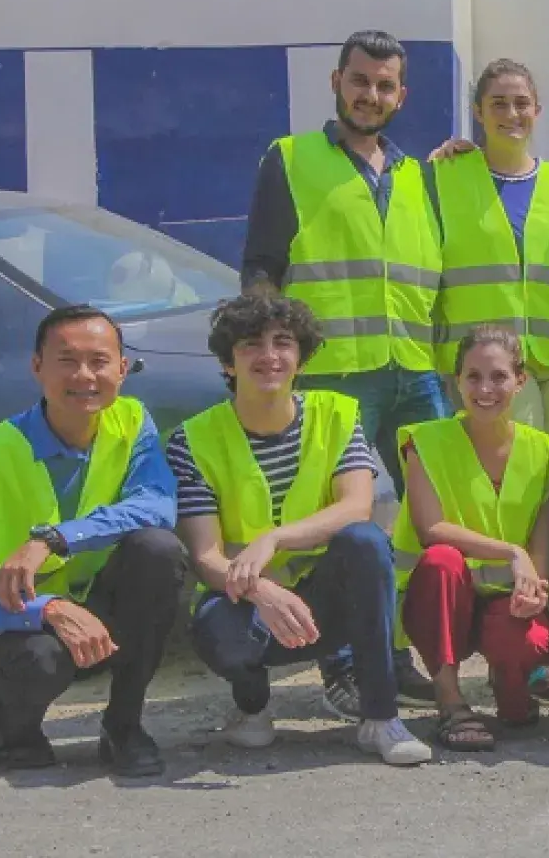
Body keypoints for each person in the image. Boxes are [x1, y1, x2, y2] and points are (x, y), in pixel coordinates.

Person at [239, 29, 445, 708]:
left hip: (413, 372)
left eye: (385, 85)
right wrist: (271, 357)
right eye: (360, 80)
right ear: (337, 81)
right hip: (334, 377)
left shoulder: (420, 174)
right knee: (358, 520)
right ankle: (346, 660)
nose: (371, 94)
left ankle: (394, 650)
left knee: (418, 518)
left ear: (401, 94)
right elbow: (263, 264)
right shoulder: (292, 158)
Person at [172, 290, 432, 765]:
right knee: (219, 630)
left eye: (283, 343)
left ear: (301, 358)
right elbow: (206, 555)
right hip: (247, 601)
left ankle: (381, 718)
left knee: (367, 541)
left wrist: (274, 539)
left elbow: (356, 506)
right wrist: (261, 592)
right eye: (250, 344)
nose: (268, 356)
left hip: (324, 603)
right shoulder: (192, 440)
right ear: (228, 363)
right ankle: (252, 710)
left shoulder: (338, 414)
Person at [0, 305, 187, 777]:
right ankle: (10, 728)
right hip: (11, 626)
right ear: (37, 368)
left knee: (158, 550)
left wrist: (54, 540)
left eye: (99, 361)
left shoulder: (131, 423)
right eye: (67, 360)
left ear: (122, 369)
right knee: (43, 657)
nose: (84, 376)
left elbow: (156, 504)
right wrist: (47, 608)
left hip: (97, 606)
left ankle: (124, 726)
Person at [393, 326, 549, 752]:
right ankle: (450, 701)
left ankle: (514, 685)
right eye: (473, 377)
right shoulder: (423, 441)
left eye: (499, 377)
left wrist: (536, 590)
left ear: (520, 381)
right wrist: (511, 552)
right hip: (442, 602)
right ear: (456, 381)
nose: (486, 389)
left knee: (520, 700)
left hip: (505, 599)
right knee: (443, 559)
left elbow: (542, 547)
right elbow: (431, 530)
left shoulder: (546, 451)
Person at [432, 59, 549, 437]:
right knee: (512, 474)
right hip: (483, 363)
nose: (511, 113)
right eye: (498, 103)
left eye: (521, 103)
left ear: (537, 109)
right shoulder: (444, 177)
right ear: (478, 112)